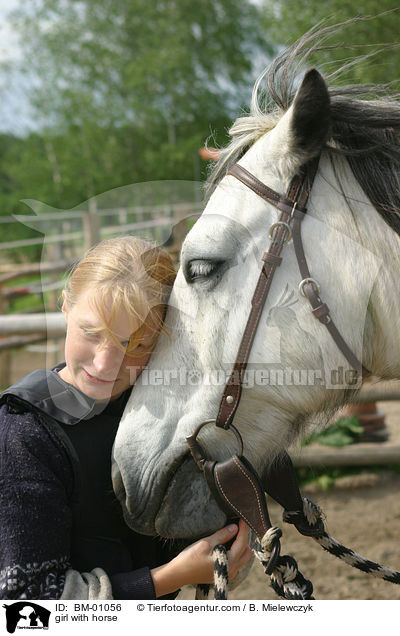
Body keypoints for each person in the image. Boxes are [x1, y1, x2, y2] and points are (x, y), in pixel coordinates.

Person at [0, 236, 252, 600]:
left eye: (137, 345)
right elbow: (27, 604)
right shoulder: (24, 433)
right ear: (65, 305)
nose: (106, 364)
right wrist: (167, 577)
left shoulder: (162, 417)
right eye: (92, 333)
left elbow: (194, 542)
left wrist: (224, 542)